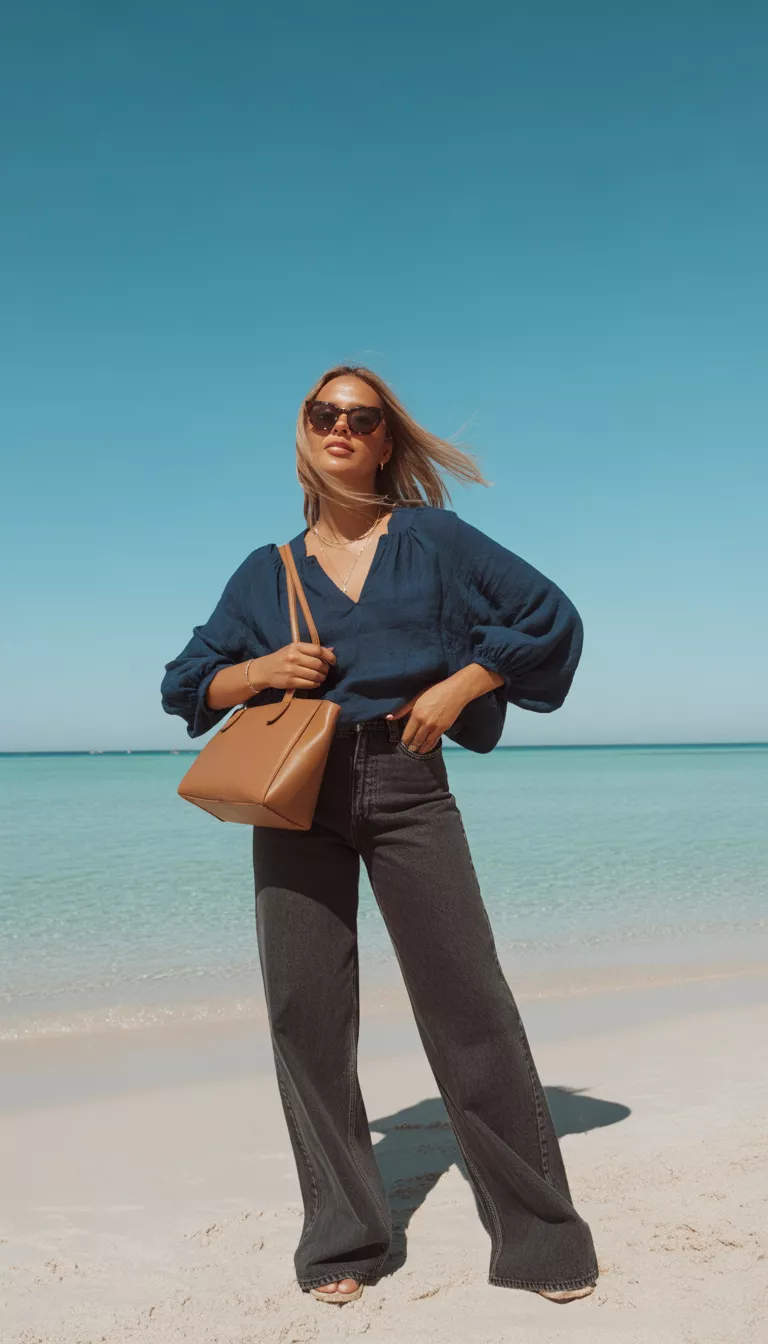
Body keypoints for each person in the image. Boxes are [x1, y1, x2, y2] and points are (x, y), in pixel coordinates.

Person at [160, 364, 599, 1307]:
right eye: (327, 414)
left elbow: (548, 619)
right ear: (305, 433)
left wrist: (461, 684)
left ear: (387, 440)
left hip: (408, 780)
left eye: (364, 418)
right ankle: (343, 1240)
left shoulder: (432, 540)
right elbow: (185, 682)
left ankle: (540, 1239)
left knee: (467, 1002)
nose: (344, 428)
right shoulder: (265, 570)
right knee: (307, 1016)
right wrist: (259, 670)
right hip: (296, 796)